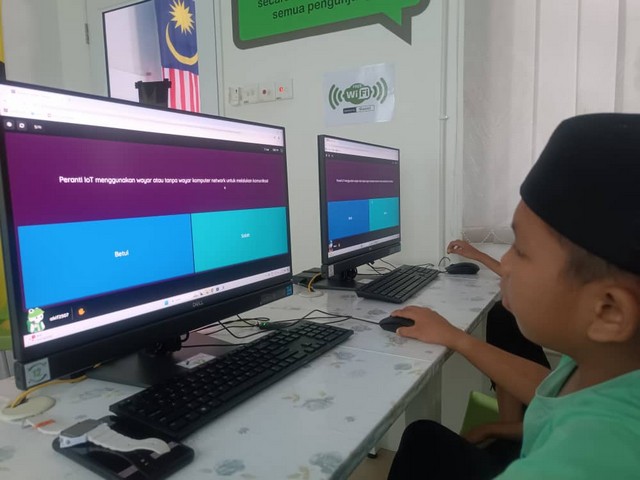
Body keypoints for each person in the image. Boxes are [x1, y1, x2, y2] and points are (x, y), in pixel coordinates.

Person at [387, 113, 640, 479]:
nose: (504, 265)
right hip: (532, 439)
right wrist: (456, 338)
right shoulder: (605, 364)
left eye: (520, 249)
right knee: (424, 437)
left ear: (610, 311)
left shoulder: (583, 462)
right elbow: (550, 389)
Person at [446, 240, 550, 441]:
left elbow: (563, 415)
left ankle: (509, 434)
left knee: (420, 433)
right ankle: (509, 423)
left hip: (542, 441)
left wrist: (489, 430)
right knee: (503, 316)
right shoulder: (586, 363)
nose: (507, 261)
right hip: (541, 413)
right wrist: (478, 255)